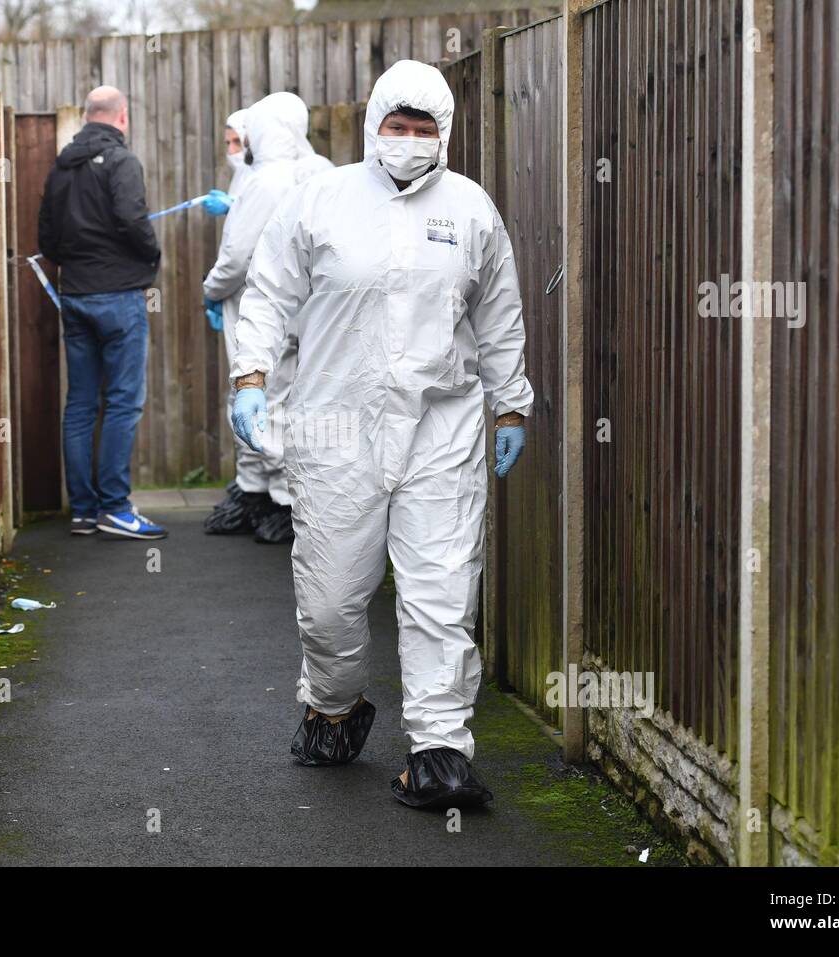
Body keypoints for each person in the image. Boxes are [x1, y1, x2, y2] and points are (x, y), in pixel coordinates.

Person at [230, 61, 533, 810]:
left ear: (445, 133)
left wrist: (512, 405)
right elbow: (267, 289)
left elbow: (499, 316)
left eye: (422, 128)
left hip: (441, 430)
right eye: (395, 126)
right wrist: (250, 377)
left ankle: (439, 749)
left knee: (440, 593)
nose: (407, 141)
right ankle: (334, 705)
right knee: (332, 599)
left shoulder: (470, 210)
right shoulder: (322, 200)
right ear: (372, 127)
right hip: (336, 430)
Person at [38, 84, 167, 541]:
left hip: (74, 298)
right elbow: (133, 219)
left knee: (79, 405)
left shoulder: (62, 166)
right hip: (118, 298)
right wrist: (151, 257)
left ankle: (84, 512)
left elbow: (47, 239)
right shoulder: (121, 161)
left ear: (88, 116)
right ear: (122, 117)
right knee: (122, 403)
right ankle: (114, 506)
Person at [202, 92, 325, 544]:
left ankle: (279, 499)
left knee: (262, 397)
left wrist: (211, 290)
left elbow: (236, 255)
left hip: (259, 303)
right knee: (276, 399)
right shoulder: (316, 171)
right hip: (301, 308)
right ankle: (258, 491)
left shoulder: (269, 180)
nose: (240, 145)